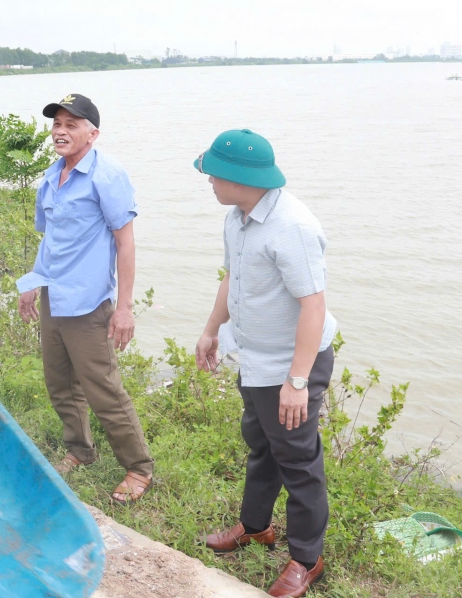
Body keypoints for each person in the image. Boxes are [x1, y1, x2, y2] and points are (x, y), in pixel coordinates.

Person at [192, 129, 338, 598]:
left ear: (239, 177)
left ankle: (306, 560)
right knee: (261, 444)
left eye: (214, 172)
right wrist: (212, 329)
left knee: (298, 460)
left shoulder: (291, 227)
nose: (209, 179)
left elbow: (313, 306)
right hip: (256, 359)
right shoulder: (239, 218)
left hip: (292, 364)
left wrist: (297, 380)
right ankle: (255, 527)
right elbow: (233, 278)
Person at [16, 93, 154, 504]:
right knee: (59, 383)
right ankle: (81, 450)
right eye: (57, 124)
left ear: (92, 134)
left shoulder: (107, 175)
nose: (61, 131)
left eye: (71, 124)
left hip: (89, 303)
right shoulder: (51, 175)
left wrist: (124, 308)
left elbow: (125, 243)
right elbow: (53, 240)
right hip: (54, 297)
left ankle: (139, 467)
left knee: (102, 388)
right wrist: (31, 283)